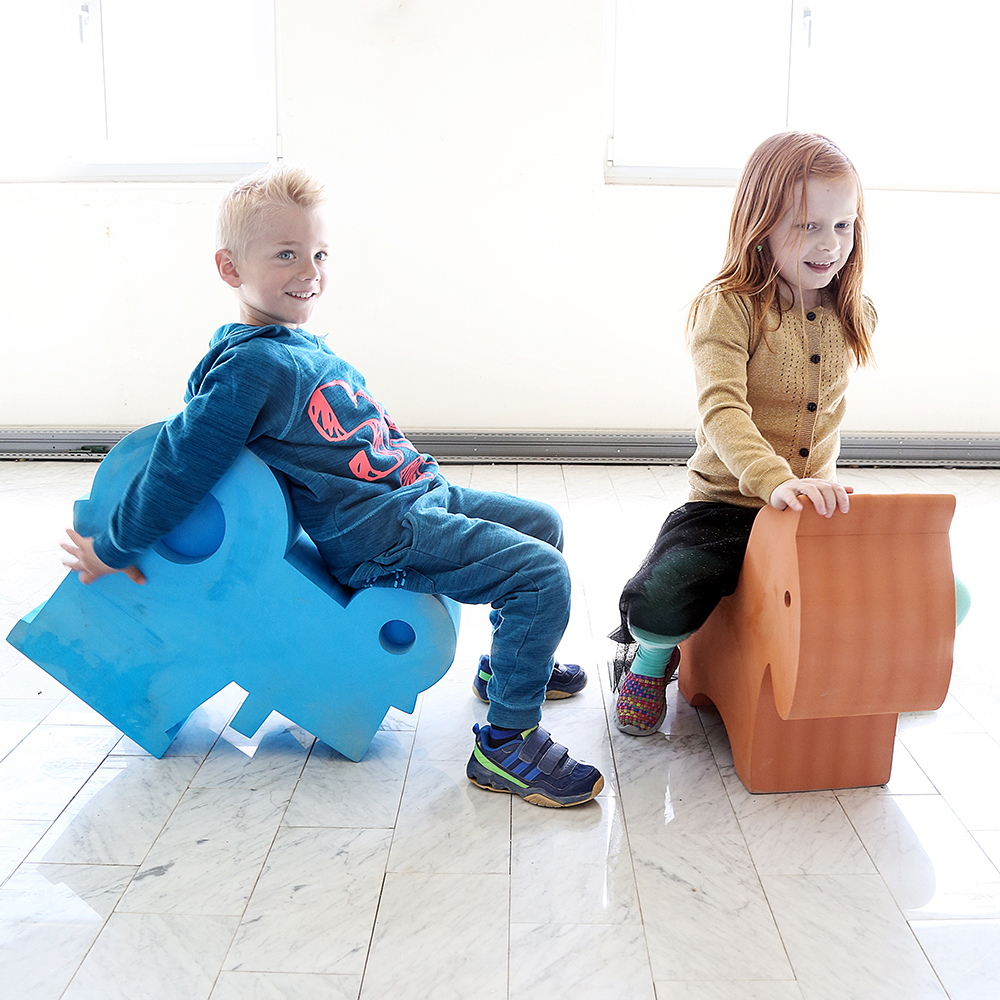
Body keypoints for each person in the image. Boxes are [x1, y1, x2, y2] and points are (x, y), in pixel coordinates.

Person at [60, 164, 601, 808]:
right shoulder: (249, 367)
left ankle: (510, 664)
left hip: (418, 496)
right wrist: (114, 545)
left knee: (543, 524)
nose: (309, 271)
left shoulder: (296, 345)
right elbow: (181, 463)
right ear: (230, 268)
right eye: (285, 254)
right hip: (384, 535)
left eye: (318, 253)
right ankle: (507, 745)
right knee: (542, 575)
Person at [611, 132, 877, 736]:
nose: (830, 244)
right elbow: (722, 409)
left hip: (809, 513)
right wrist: (774, 480)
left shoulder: (854, 310)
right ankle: (650, 659)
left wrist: (808, 487)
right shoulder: (729, 305)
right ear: (761, 225)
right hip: (727, 507)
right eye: (808, 226)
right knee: (658, 601)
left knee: (930, 588)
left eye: (843, 225)